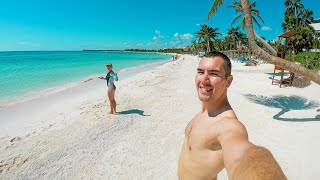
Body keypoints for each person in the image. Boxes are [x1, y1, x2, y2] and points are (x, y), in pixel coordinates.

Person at [178, 51, 286, 180]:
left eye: (213, 73)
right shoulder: (204, 112)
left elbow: (245, 155)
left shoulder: (228, 125)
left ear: (228, 81)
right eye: (200, 72)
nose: (204, 79)